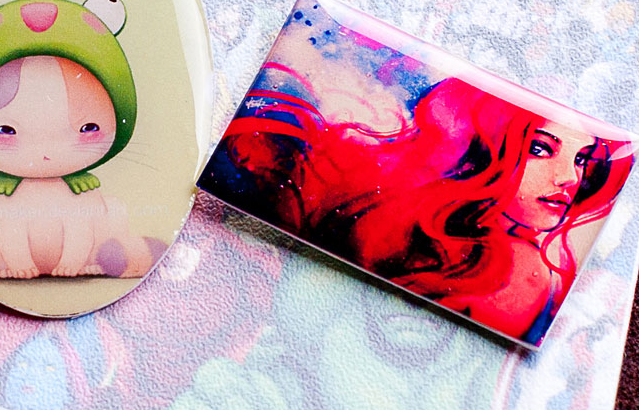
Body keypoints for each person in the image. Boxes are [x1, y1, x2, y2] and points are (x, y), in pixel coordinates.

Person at [220, 76, 633, 343]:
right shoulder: (501, 261)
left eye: (582, 160)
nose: (569, 178)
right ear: (484, 149)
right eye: (540, 150)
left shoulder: (525, 270)